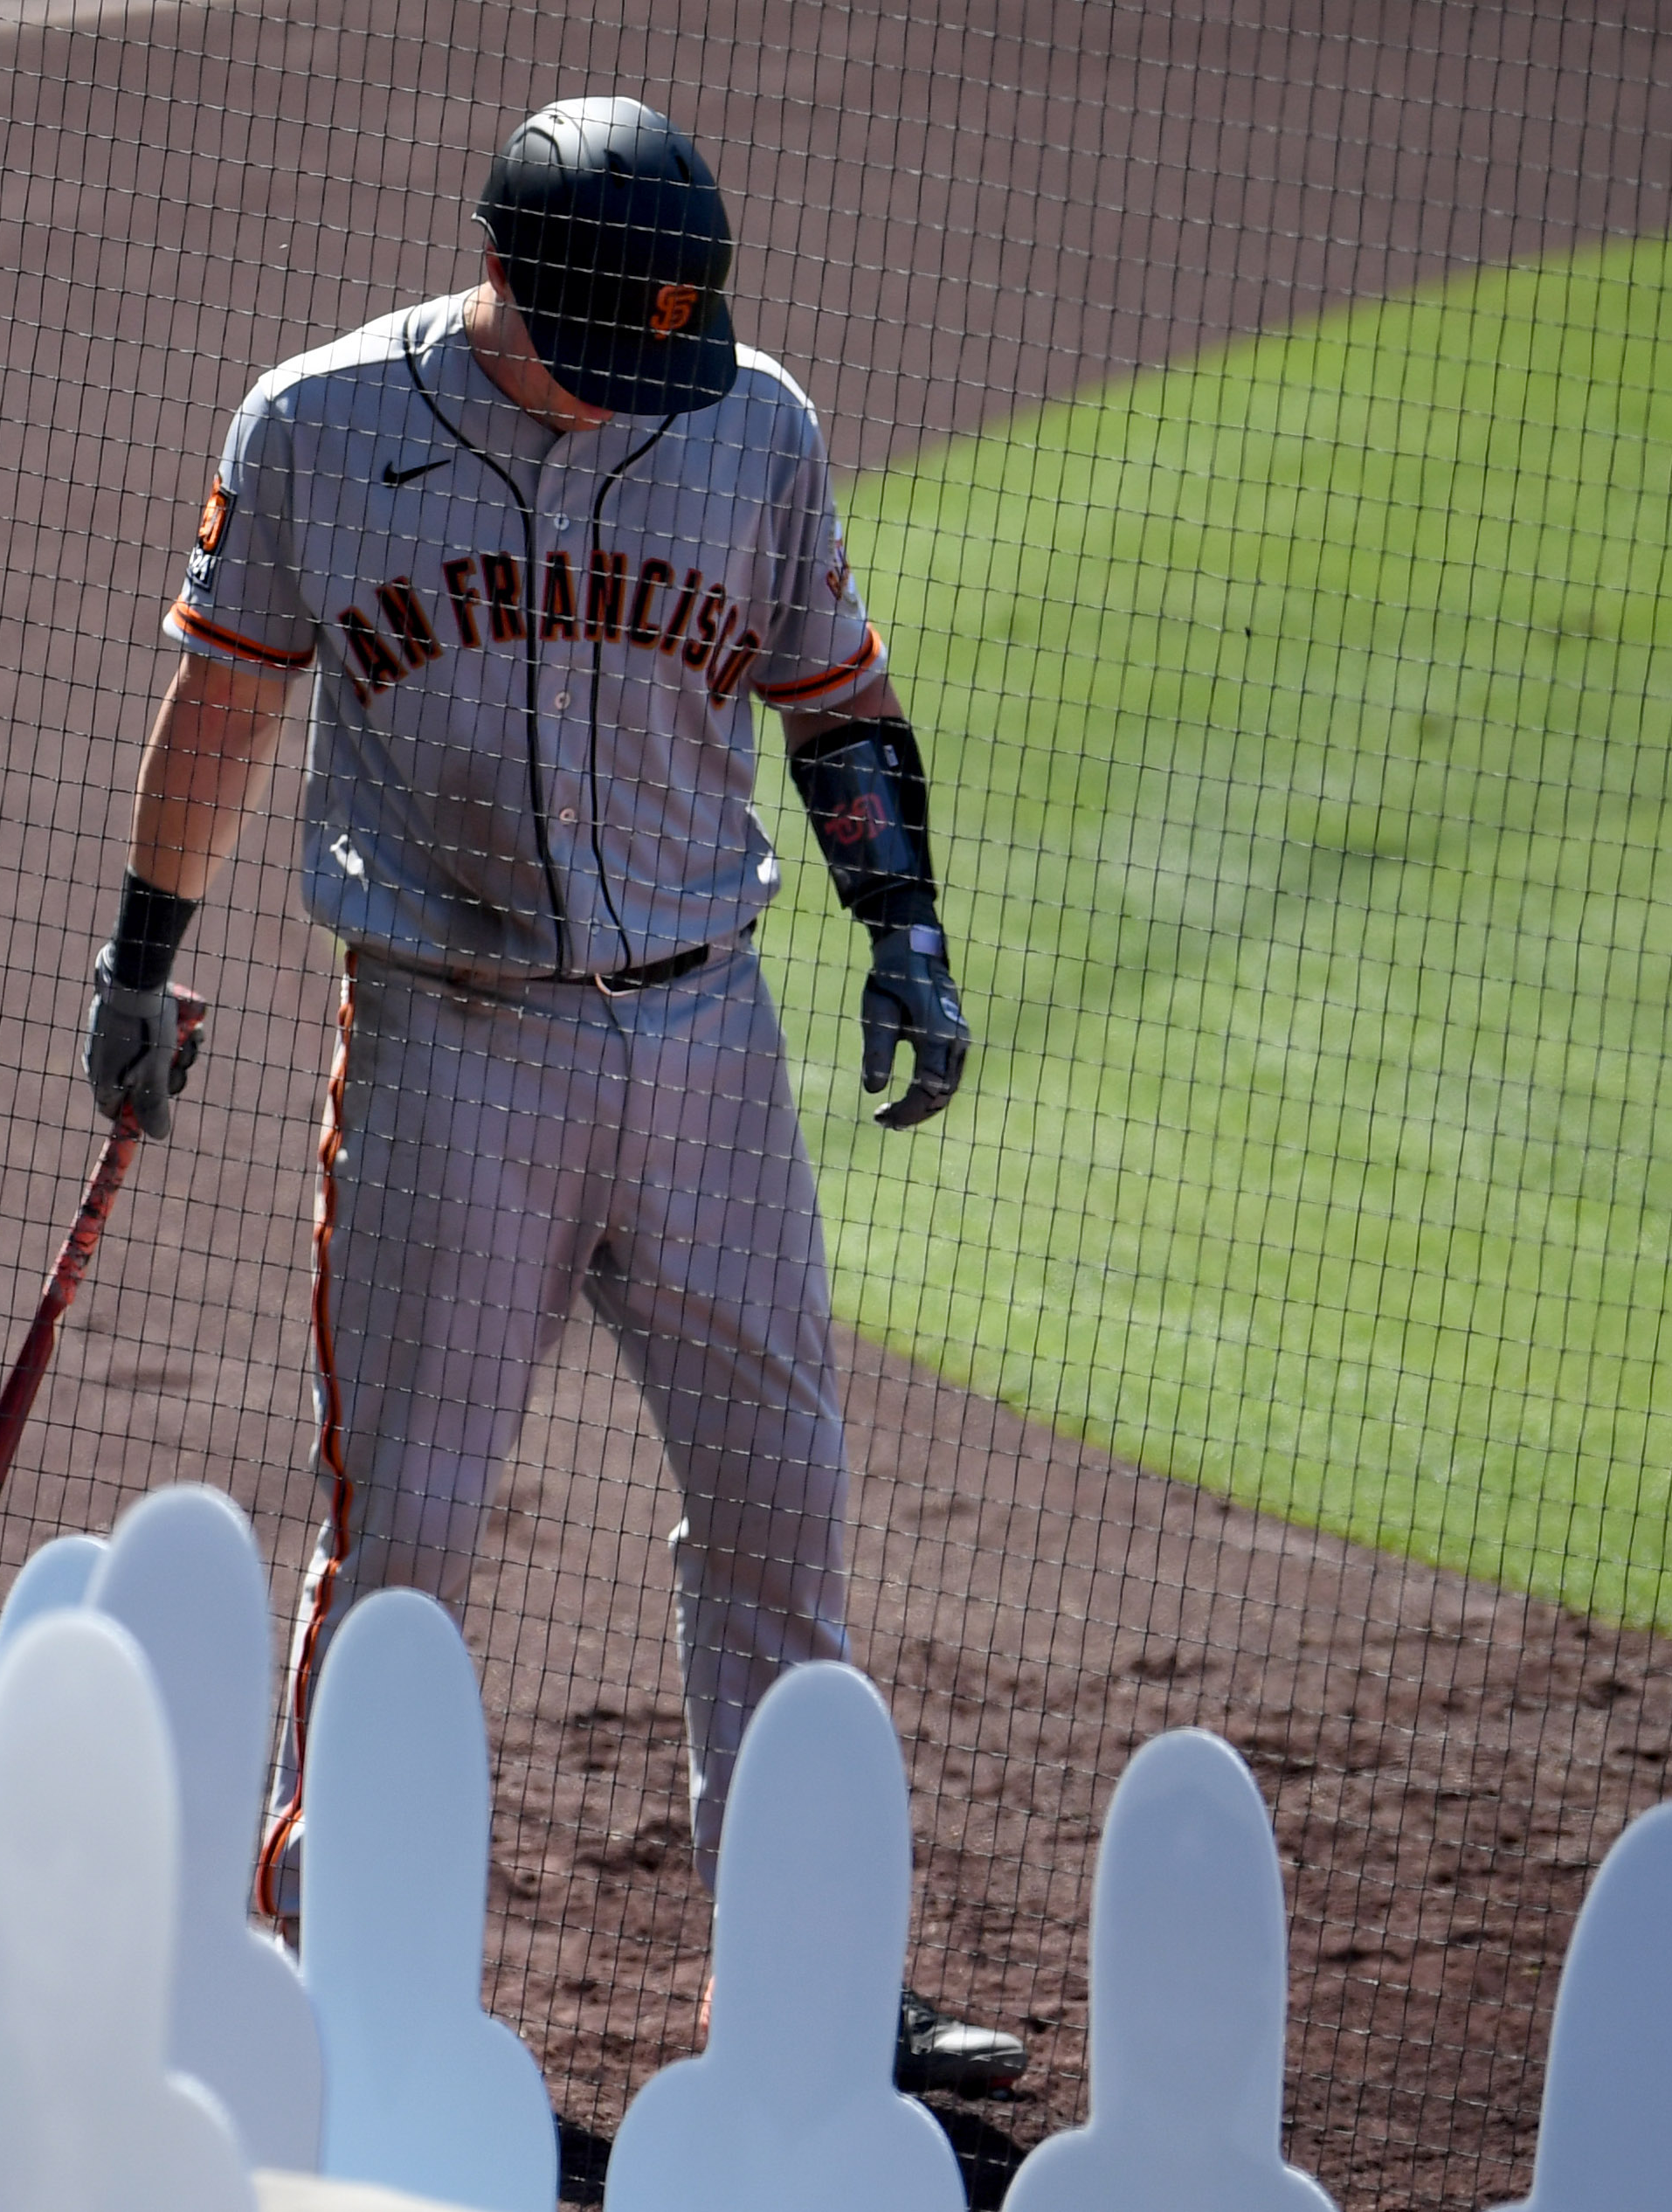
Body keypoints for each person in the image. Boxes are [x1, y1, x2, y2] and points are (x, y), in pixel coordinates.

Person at [76, 93, 1020, 2094]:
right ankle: (331, 1980)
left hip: (707, 1049)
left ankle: (808, 1982)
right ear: (502, 281)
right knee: (407, 1523)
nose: (627, 405)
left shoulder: (749, 423)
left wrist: (905, 929)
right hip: (453, 1043)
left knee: (783, 1508)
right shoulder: (321, 430)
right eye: (601, 359)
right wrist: (144, 955)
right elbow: (229, 695)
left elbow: (836, 696)